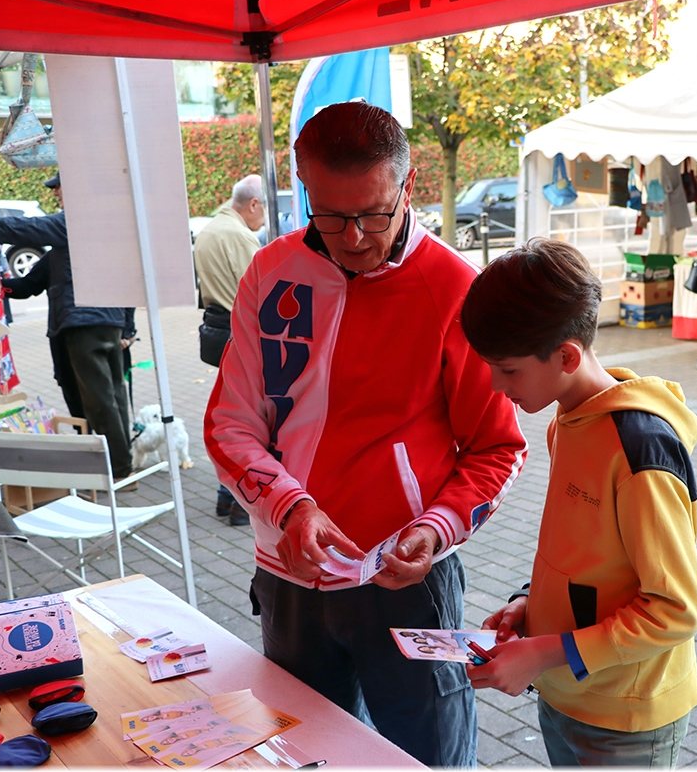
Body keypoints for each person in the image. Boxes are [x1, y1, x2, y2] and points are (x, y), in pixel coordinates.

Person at [203, 102, 527, 766]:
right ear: (301, 187)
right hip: (288, 570)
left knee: (429, 757)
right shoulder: (269, 270)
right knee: (303, 752)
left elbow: (497, 447)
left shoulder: (454, 287)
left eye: (374, 214)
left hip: (404, 577)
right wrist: (290, 507)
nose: (352, 237)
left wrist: (436, 528)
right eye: (328, 215)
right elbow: (230, 423)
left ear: (408, 187)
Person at [458, 238, 697, 769]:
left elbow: (677, 609)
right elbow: (586, 556)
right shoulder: (566, 420)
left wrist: (546, 652)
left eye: (508, 370)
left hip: (625, 718)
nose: (495, 385)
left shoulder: (640, 448)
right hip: (566, 691)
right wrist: (530, 606)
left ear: (567, 356)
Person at [0, 173, 136, 477]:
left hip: (84, 323)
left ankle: (118, 470)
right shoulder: (81, 236)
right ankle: (113, 463)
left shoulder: (76, 221)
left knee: (99, 400)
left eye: (58, 188)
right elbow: (29, 285)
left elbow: (22, 228)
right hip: (100, 322)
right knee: (109, 396)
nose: (55, 194)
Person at [193, 173, 265, 526]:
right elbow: (265, 288)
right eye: (263, 210)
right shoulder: (238, 235)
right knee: (252, 421)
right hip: (242, 334)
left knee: (235, 414)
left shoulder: (210, 230)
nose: (264, 219)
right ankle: (236, 500)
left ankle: (227, 499)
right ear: (253, 204)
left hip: (217, 327)